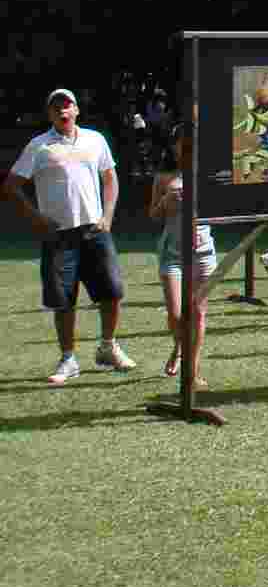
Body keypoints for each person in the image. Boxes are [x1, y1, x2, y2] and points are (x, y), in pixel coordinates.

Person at [3, 88, 134, 383]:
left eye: (67, 105)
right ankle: (68, 359)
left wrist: (108, 215)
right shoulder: (39, 147)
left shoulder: (95, 140)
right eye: (56, 107)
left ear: (77, 110)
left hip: (94, 230)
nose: (63, 111)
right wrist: (35, 218)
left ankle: (108, 347)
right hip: (58, 235)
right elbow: (11, 186)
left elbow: (110, 177)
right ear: (49, 114)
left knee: (112, 292)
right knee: (63, 299)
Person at [148, 126, 215, 384]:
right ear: (173, 146)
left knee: (198, 312)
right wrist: (166, 201)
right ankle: (179, 346)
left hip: (203, 251)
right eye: (181, 144)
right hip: (172, 252)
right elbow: (153, 215)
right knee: (177, 315)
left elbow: (224, 207)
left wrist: (202, 219)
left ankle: (192, 369)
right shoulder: (164, 177)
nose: (186, 149)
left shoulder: (209, 175)